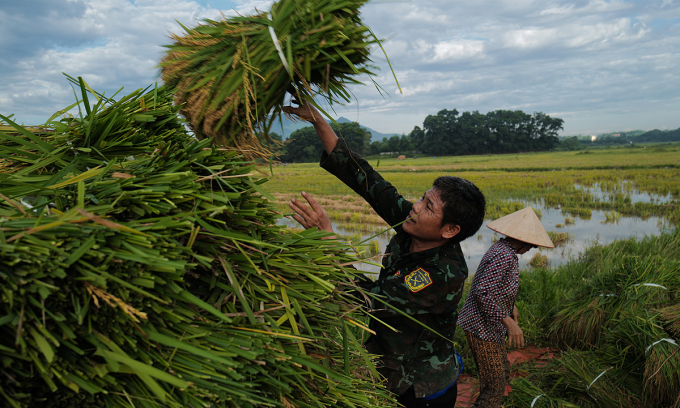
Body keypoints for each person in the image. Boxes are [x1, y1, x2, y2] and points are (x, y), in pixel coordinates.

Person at [284, 99, 486, 408]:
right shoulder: (415, 225)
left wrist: (328, 240)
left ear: (450, 231)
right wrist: (317, 121)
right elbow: (369, 182)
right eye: (422, 198)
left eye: (428, 206)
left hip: (418, 387)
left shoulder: (441, 274)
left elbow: (368, 302)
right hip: (388, 367)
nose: (415, 206)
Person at [457, 207, 554, 408]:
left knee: (502, 371)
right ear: (523, 240)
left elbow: (493, 286)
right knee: (495, 386)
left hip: (489, 326)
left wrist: (511, 305)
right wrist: (509, 322)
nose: (532, 248)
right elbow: (482, 293)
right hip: (480, 327)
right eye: (532, 244)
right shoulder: (504, 256)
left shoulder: (503, 250)